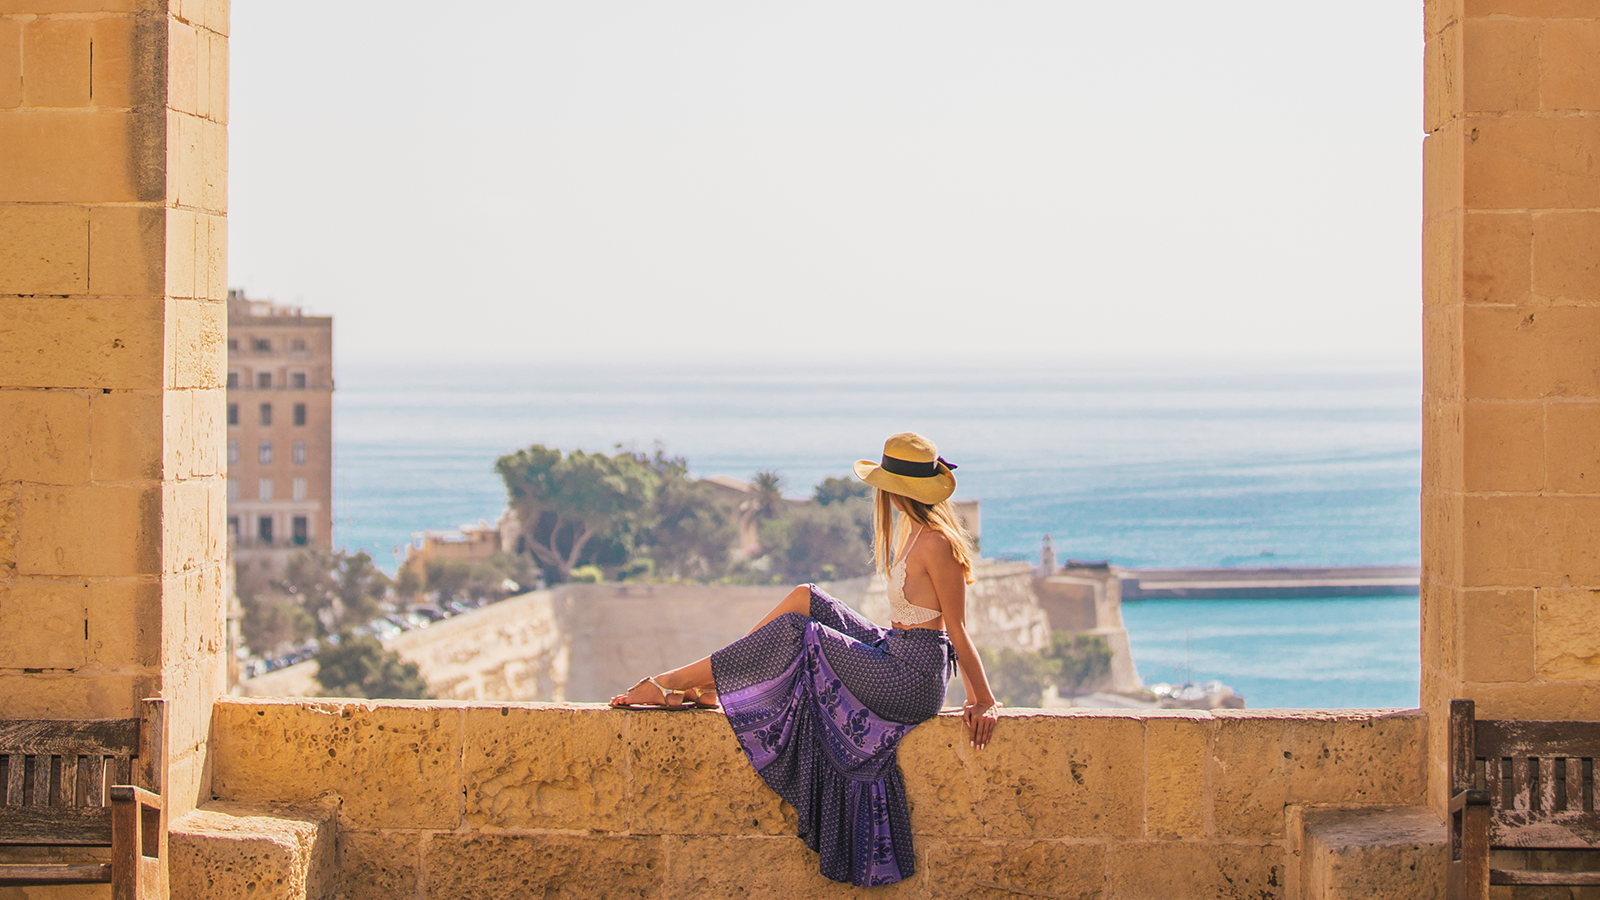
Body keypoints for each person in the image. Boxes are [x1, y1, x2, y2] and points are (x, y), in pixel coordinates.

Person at [609, 432, 1000, 887]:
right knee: (805, 598)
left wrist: (983, 698)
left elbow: (956, 630)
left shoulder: (936, 544)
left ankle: (669, 682)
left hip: (910, 680)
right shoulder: (913, 534)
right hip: (896, 651)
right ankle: (721, 680)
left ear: (894, 488)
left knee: (802, 633)